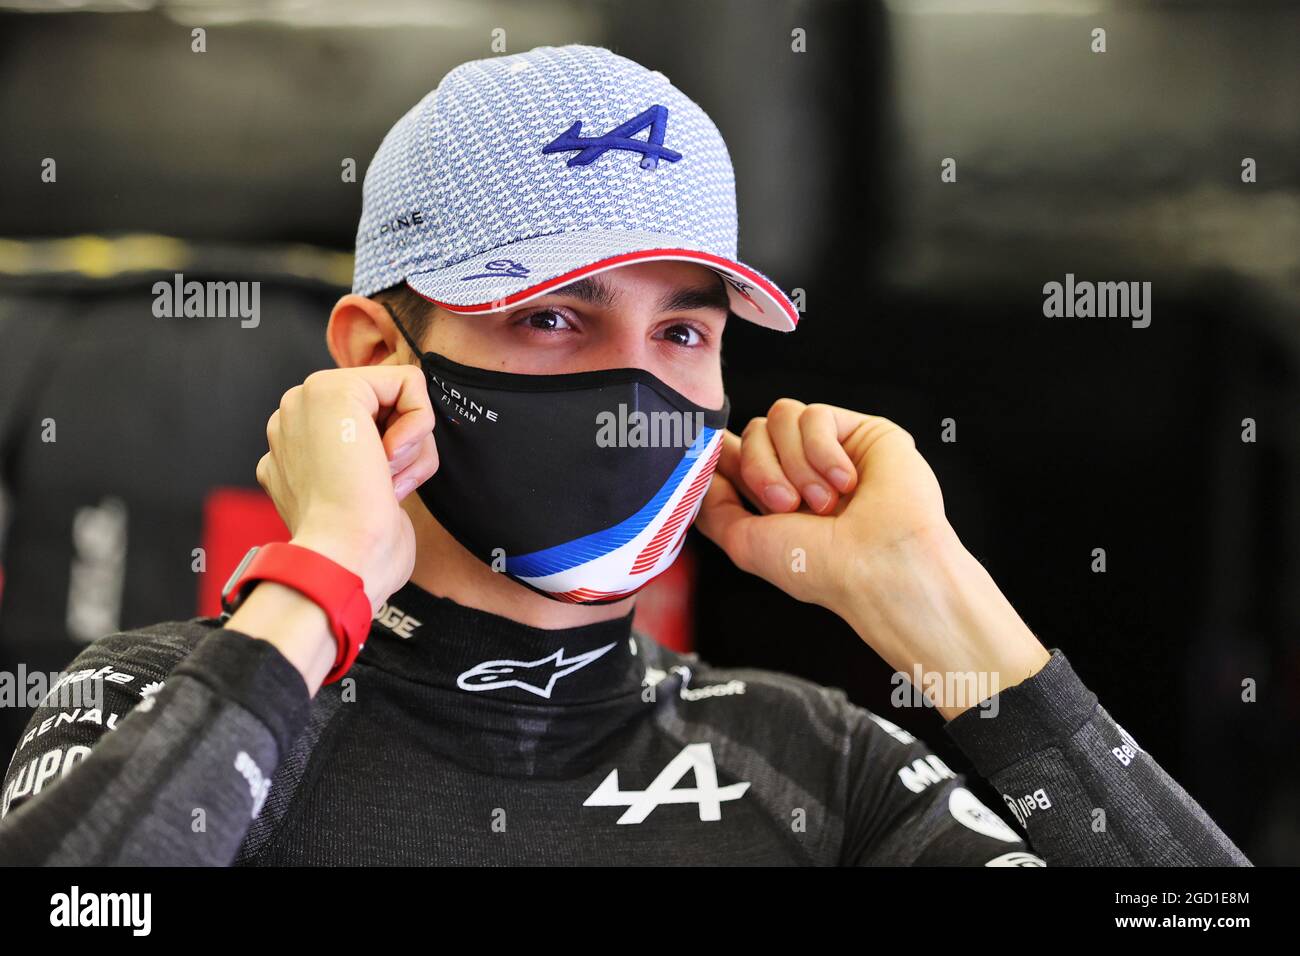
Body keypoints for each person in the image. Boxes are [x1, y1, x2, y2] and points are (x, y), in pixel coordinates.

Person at [0, 44, 1248, 866]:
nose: (635, 390)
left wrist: (943, 610)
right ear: (376, 351)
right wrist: (323, 576)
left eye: (684, 328)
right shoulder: (161, 701)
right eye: (550, 315)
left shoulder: (818, 762)